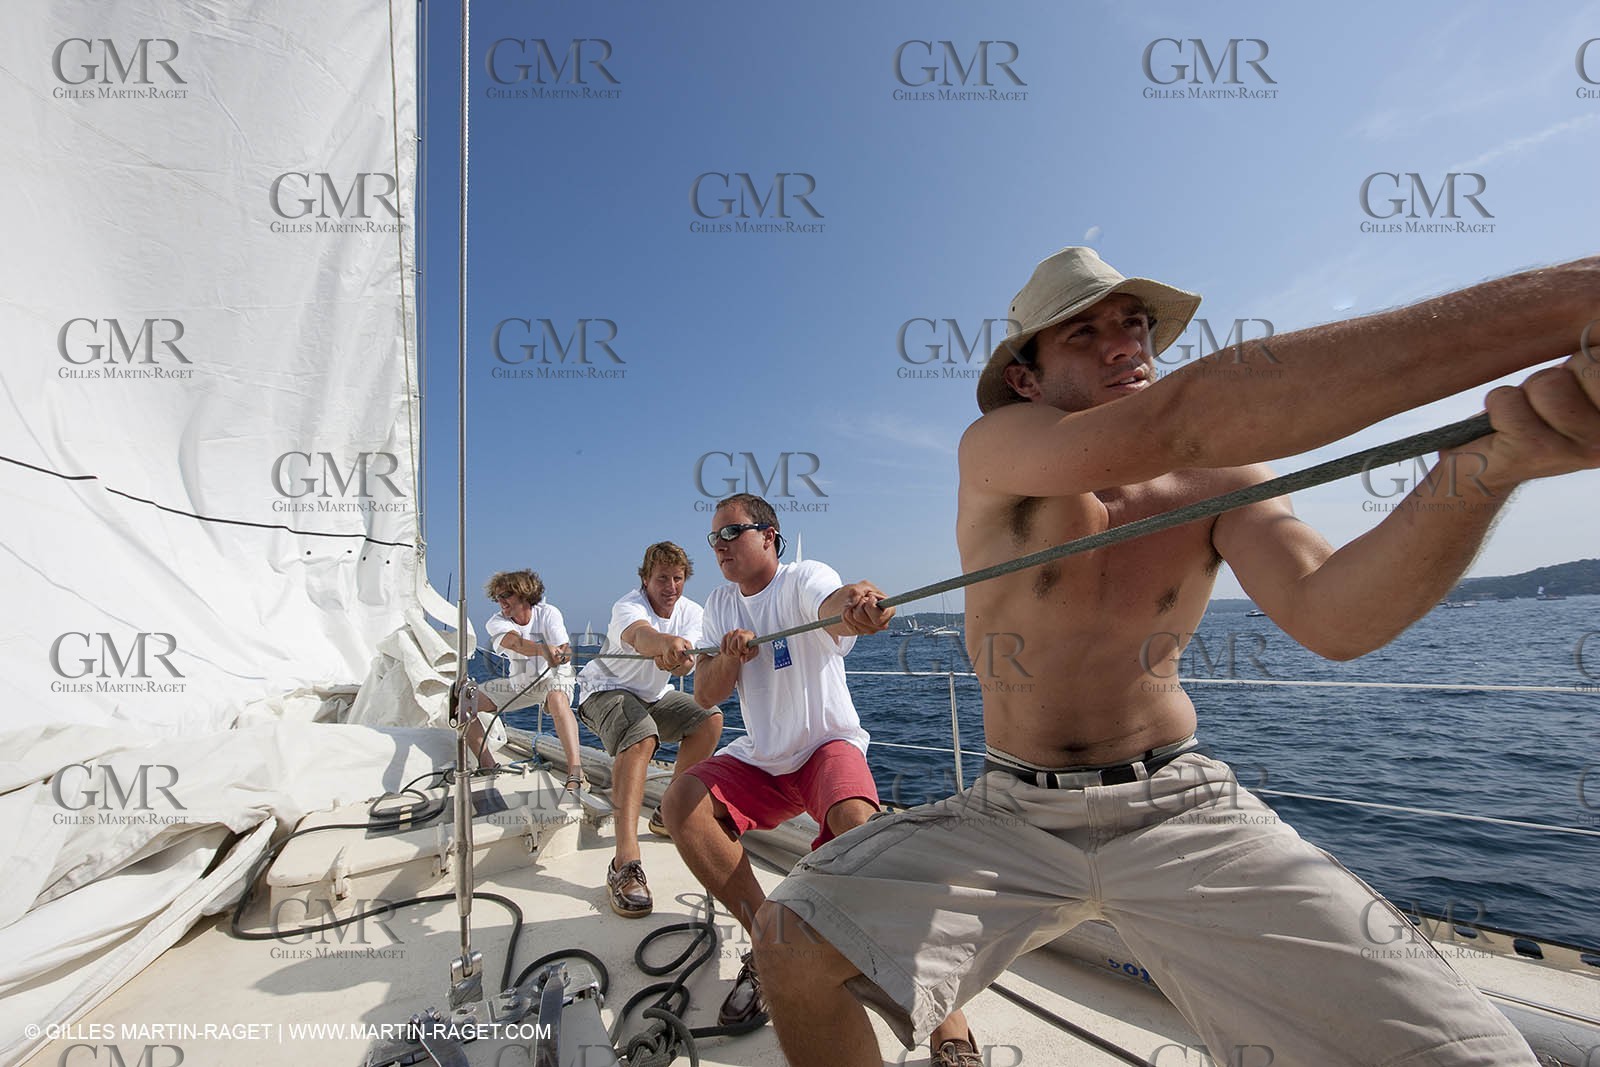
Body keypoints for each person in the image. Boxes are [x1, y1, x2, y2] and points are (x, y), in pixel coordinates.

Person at [755, 246, 1600, 1067]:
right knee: (791, 944)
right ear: (1024, 377)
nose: (1125, 343)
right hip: (1011, 810)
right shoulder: (999, 449)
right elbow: (1179, 418)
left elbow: (1333, 615)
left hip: (1180, 806)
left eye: (1135, 324)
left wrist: (1486, 463)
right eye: (1083, 333)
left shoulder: (1223, 477)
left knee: (1471, 1054)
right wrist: (1574, 299)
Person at [658, 493, 903, 1031]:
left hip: (824, 746)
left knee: (859, 830)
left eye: (732, 533)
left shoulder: (802, 577)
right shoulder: (720, 604)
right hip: (764, 758)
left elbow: (833, 605)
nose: (720, 546)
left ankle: (941, 1015)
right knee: (680, 804)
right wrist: (726, 656)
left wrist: (857, 603)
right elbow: (703, 696)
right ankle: (769, 945)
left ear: (769, 536)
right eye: (714, 537)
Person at [573, 541, 724, 918]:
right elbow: (640, 636)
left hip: (654, 696)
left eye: (677, 578)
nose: (670, 586)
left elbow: (684, 668)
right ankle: (624, 863)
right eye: (661, 578)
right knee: (641, 736)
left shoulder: (693, 612)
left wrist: (681, 659)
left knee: (709, 720)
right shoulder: (628, 606)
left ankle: (666, 813)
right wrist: (666, 644)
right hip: (603, 691)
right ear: (645, 580)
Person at [472, 570, 583, 788]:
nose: (500, 601)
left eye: (505, 595)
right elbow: (514, 643)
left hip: (555, 677)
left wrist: (562, 654)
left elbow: (564, 648)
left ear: (524, 594)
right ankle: (487, 766)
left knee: (557, 699)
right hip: (522, 684)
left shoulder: (548, 613)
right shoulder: (496, 622)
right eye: (498, 597)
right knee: (464, 707)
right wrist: (543, 650)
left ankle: (576, 773)